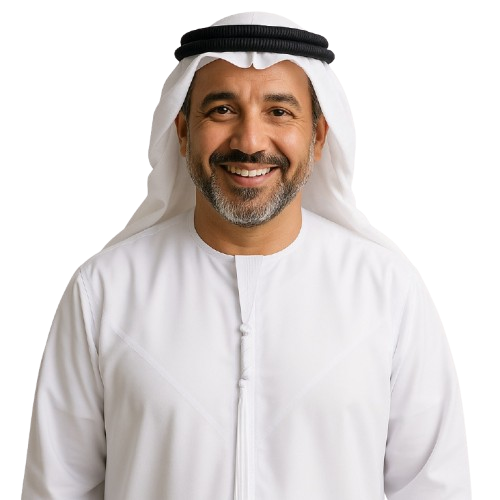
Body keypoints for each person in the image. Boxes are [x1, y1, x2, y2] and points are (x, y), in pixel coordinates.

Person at [21, 11, 472, 500]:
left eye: (279, 111)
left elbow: (434, 489)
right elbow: (57, 490)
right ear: (182, 132)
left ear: (319, 137)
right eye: (222, 110)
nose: (251, 142)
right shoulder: (104, 291)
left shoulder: (388, 290)